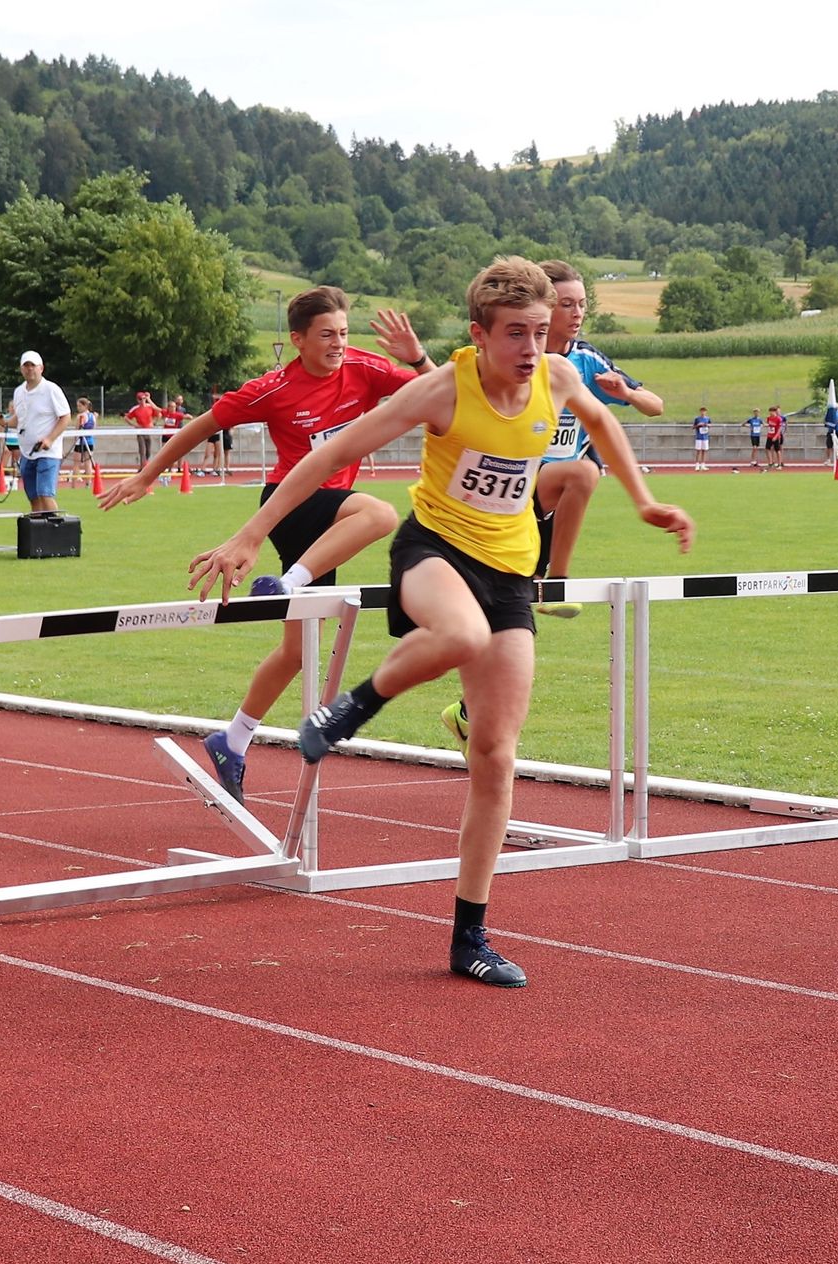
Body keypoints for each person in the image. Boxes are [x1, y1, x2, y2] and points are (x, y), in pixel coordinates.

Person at [188, 257, 692, 986]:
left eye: (540, 332)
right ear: (479, 336)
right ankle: (351, 708)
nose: (530, 348)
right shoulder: (440, 392)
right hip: (433, 555)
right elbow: (333, 453)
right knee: (461, 635)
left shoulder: (555, 378)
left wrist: (644, 501)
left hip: (511, 571)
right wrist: (247, 533)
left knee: (494, 754)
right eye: (515, 333)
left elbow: (604, 421)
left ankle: (469, 939)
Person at [101, 285, 431, 803]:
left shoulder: (367, 369)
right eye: (326, 335)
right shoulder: (273, 388)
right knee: (381, 513)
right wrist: (148, 475)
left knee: (299, 650)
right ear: (297, 340)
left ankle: (231, 740)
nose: (338, 343)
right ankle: (287, 581)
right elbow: (200, 426)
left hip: (332, 518)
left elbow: (439, 393)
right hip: (291, 505)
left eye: (343, 333)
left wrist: (418, 358)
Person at [504, 260, 665, 618]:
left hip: (557, 492)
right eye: (566, 304)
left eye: (582, 304)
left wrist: (627, 392)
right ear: (544, 305)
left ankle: (557, 582)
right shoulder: (518, 355)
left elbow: (656, 406)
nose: (577, 313)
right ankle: (552, 582)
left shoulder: (586, 359)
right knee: (507, 594)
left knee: (583, 471)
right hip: (512, 481)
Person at [7, 351, 71, 513]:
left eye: (33, 366)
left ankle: (56, 531)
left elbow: (65, 417)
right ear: (21, 369)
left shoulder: (51, 389)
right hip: (27, 453)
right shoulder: (19, 392)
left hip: (48, 453)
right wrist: (1, 421)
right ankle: (38, 534)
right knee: (33, 497)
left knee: (45, 494)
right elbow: (18, 419)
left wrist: (50, 439)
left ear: (41, 368)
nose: (29, 369)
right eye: (26, 366)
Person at [125, 390, 161, 466]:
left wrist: (154, 423)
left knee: (148, 451)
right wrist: (135, 425)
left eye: (144, 399)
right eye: (141, 399)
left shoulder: (150, 407)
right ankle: (142, 466)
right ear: (138, 400)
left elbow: (159, 414)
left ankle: (146, 463)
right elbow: (126, 418)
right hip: (140, 431)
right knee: (142, 450)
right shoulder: (135, 409)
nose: (142, 401)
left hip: (148, 431)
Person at [68, 397, 96, 487]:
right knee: (88, 463)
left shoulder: (80, 416)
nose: (78, 408)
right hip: (90, 441)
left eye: (80, 406)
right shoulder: (93, 416)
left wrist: (75, 439)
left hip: (81, 442)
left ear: (85, 406)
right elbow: (94, 428)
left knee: (76, 463)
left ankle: (74, 484)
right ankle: (88, 483)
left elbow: (77, 429)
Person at [764, 405, 785, 469]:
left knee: (777, 450)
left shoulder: (779, 419)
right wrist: (766, 425)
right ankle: (770, 463)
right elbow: (769, 425)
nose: (771, 413)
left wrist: (776, 436)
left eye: (772, 412)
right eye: (770, 412)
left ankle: (779, 464)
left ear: (775, 412)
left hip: (776, 436)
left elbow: (779, 429)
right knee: (767, 448)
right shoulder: (769, 418)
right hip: (770, 435)